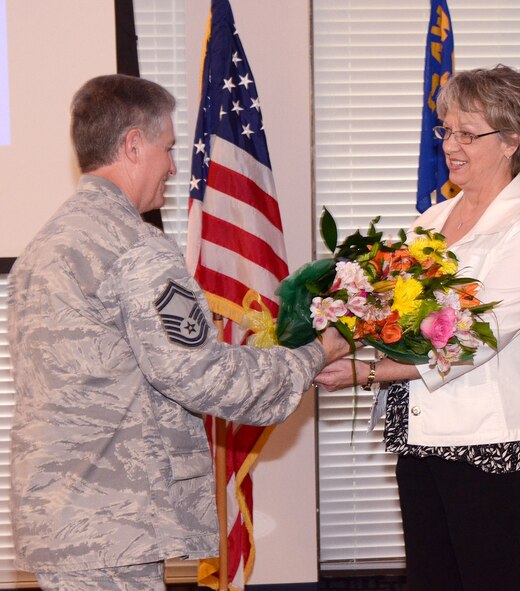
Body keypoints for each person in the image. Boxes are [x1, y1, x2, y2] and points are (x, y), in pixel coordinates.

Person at [7, 74, 351, 591]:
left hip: (65, 517)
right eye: (167, 148)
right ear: (132, 144)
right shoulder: (136, 248)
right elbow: (201, 374)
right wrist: (313, 355)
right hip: (113, 522)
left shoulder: (45, 244)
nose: (172, 165)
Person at [315, 65, 520, 591]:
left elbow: (472, 340)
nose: (451, 145)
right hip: (422, 440)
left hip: (496, 451)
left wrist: (366, 373)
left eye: (467, 133)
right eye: (446, 130)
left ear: (512, 141)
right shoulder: (432, 220)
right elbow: (391, 315)